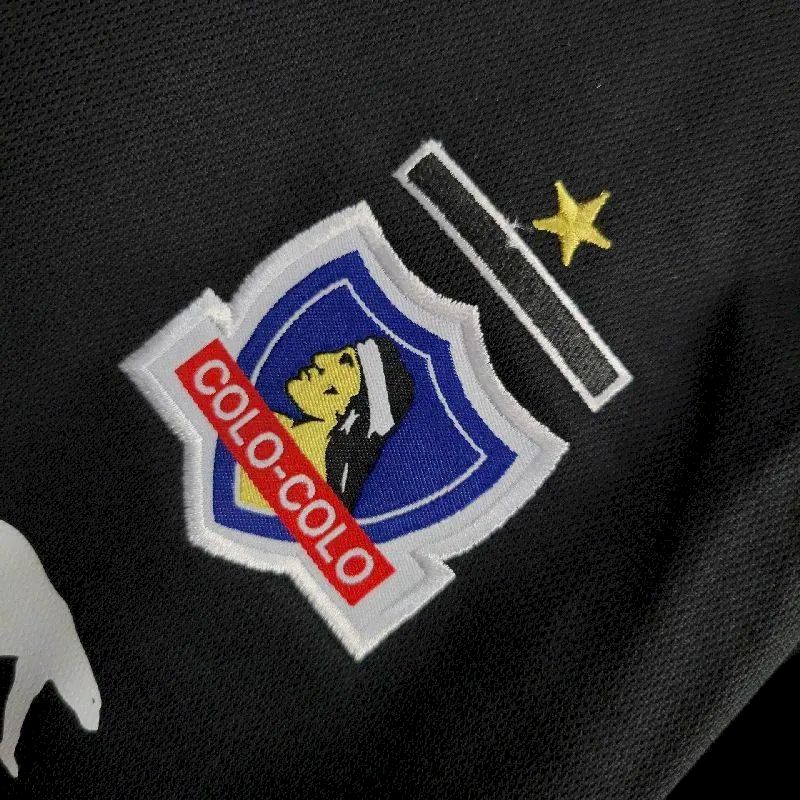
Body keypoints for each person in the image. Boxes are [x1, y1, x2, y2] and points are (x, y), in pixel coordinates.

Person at [237, 337, 413, 512]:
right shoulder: (272, 431)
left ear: (348, 409)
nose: (320, 358)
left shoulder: (299, 477)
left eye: (346, 361)